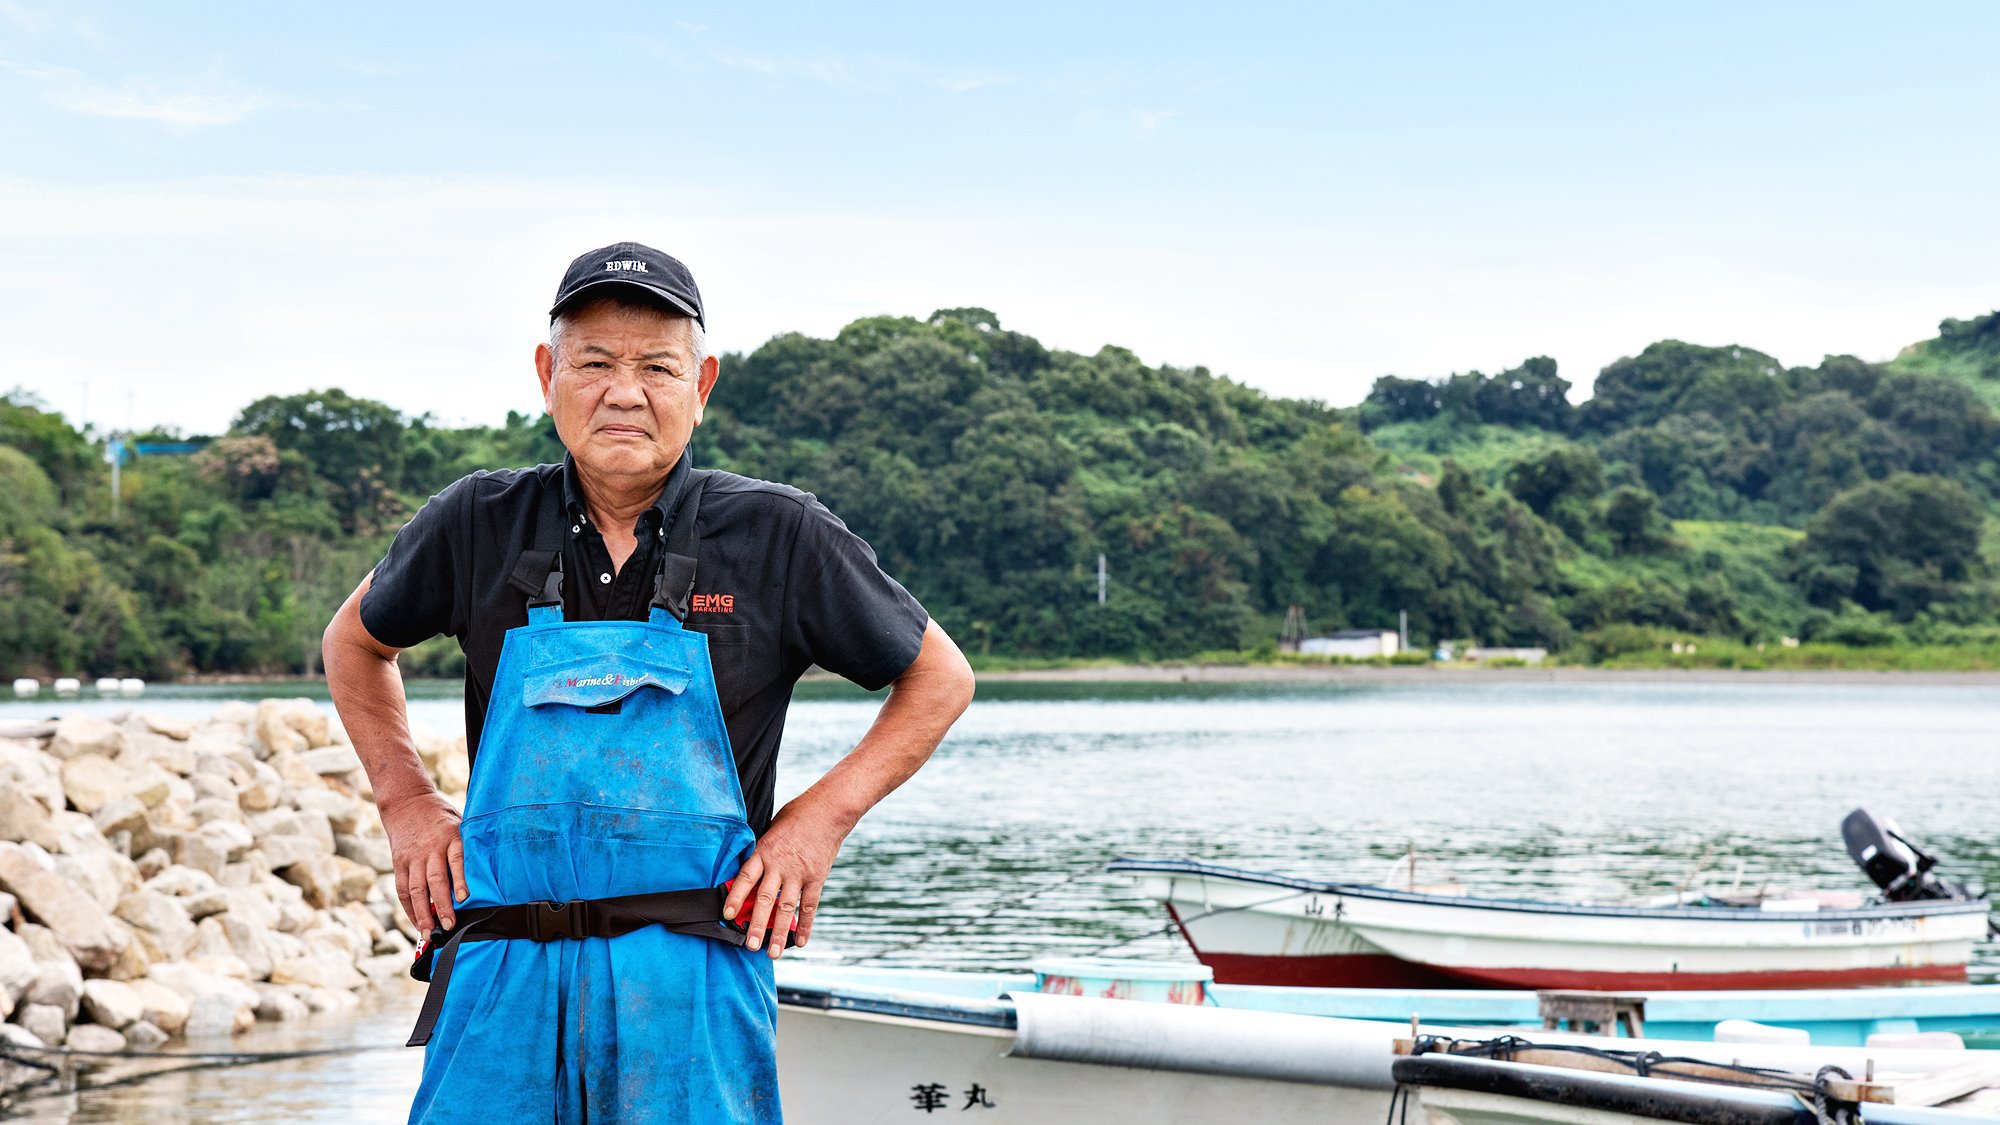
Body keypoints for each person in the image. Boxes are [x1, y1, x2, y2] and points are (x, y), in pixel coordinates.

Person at [322, 241, 975, 1124]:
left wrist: (816, 824)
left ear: (701, 384)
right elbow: (354, 641)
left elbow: (938, 676)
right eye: (594, 363)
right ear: (548, 372)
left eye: (656, 367)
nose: (623, 391)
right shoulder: (475, 522)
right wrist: (406, 800)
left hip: (693, 978)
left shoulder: (779, 534)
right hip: (501, 973)